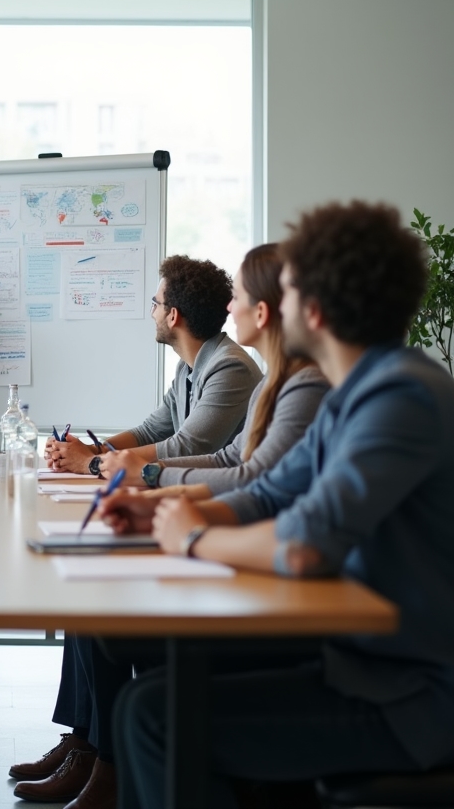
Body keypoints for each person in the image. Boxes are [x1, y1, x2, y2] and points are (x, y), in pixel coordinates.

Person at [104, 201, 454, 809]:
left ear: (312, 312)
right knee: (144, 690)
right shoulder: (358, 391)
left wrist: (191, 538)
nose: (261, 308)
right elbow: (269, 492)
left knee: (153, 715)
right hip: (360, 662)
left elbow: (303, 541)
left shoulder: (401, 397)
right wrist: (157, 512)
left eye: (283, 294)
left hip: (410, 697)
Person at [11, 245, 326, 807]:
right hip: (238, 549)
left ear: (269, 311)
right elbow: (217, 457)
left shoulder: (254, 374)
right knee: (90, 597)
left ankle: (106, 763)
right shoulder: (261, 379)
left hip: (262, 585)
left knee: (102, 609)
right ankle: (87, 743)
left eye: (245, 299)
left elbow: (228, 466)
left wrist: (155, 487)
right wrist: (101, 455)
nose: (234, 306)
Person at [102, 243, 329, 495]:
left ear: (262, 312)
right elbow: (229, 460)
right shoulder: (268, 382)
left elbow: (251, 479)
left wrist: (147, 473)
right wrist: (109, 458)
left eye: (238, 297)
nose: (229, 307)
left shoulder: (246, 370)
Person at [47, 254, 262, 475]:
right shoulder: (187, 367)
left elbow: (187, 447)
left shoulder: (230, 368)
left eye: (155, 304)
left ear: (173, 316)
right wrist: (87, 450)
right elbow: (150, 432)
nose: (152, 313)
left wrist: (92, 462)